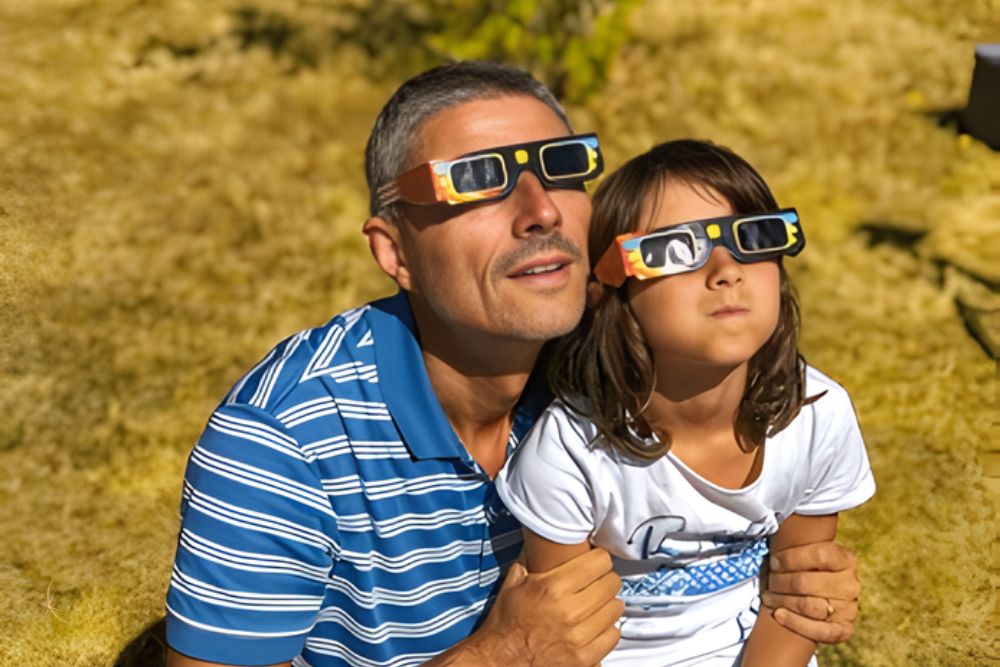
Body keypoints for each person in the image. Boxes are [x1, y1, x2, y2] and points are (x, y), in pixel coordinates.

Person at [165, 62, 866, 667]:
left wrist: (797, 582)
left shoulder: (618, 347)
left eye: (560, 168)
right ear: (394, 251)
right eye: (475, 180)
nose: (539, 211)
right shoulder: (283, 438)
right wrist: (499, 654)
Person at [495, 140, 876, 666]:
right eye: (675, 248)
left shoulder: (817, 414)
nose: (726, 269)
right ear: (607, 287)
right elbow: (561, 634)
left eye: (752, 237)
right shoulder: (572, 450)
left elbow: (799, 597)